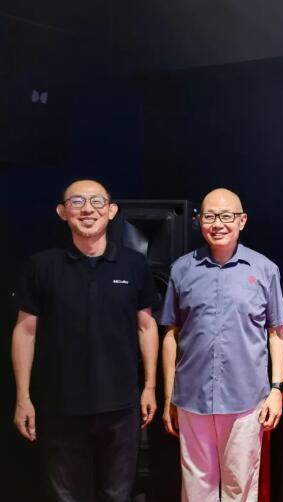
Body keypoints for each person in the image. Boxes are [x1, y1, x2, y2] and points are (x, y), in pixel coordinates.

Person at [12, 179, 159, 502]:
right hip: (59, 406)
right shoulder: (42, 266)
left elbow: (146, 327)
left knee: (117, 495)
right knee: (66, 497)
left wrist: (149, 387)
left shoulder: (134, 264)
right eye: (77, 202)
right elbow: (25, 332)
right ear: (62, 212)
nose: (88, 209)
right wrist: (23, 397)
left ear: (112, 210)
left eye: (97, 201)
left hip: (121, 407)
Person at [161, 188, 283, 502]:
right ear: (199, 221)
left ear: (242, 221)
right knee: (196, 487)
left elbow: (277, 333)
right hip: (191, 398)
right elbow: (171, 335)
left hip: (246, 400)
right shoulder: (181, 270)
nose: (218, 224)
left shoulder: (264, 270)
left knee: (240, 487)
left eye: (226, 216)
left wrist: (276, 390)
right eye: (210, 216)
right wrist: (168, 398)